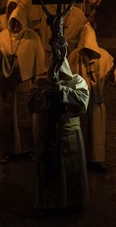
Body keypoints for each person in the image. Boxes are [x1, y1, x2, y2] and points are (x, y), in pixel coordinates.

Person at [28, 58, 90, 216]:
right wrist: (48, 94)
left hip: (68, 132)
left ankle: (71, 202)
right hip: (48, 132)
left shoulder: (78, 82)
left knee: (69, 169)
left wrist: (62, 90)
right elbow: (31, 104)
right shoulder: (41, 84)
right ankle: (48, 204)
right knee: (49, 170)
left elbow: (83, 103)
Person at [0, 7, 46, 163]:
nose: (15, 26)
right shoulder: (2, 37)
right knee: (7, 120)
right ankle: (7, 150)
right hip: (7, 86)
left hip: (25, 85)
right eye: (13, 22)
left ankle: (28, 149)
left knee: (26, 121)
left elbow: (39, 62)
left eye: (18, 23)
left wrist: (38, 82)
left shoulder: (32, 37)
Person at [67, 28, 116, 172]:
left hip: (97, 102)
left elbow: (114, 76)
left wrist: (111, 76)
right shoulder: (74, 56)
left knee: (97, 131)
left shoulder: (105, 56)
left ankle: (97, 159)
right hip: (81, 103)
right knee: (82, 130)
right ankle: (81, 158)